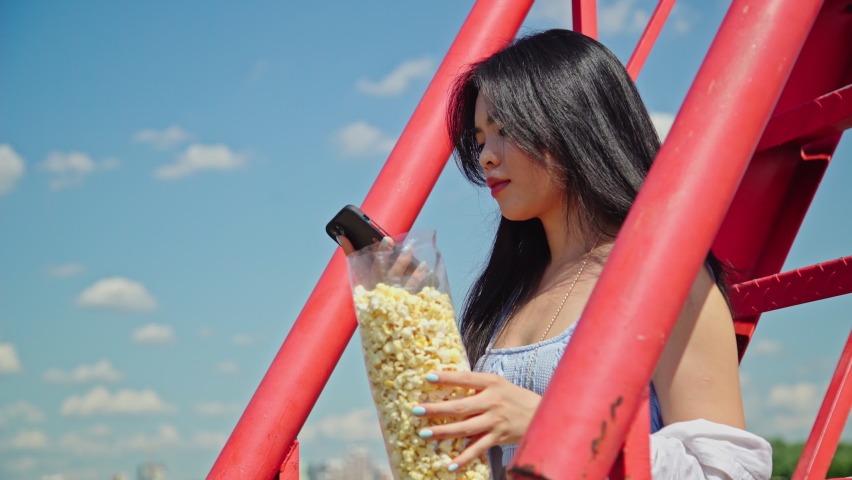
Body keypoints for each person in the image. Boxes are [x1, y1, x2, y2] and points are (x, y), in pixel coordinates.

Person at [343, 29, 772, 479]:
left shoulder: (668, 281)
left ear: (574, 124)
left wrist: (548, 425)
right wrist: (411, 329)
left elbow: (729, 473)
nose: (486, 156)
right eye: (480, 138)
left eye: (505, 130)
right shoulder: (508, 293)